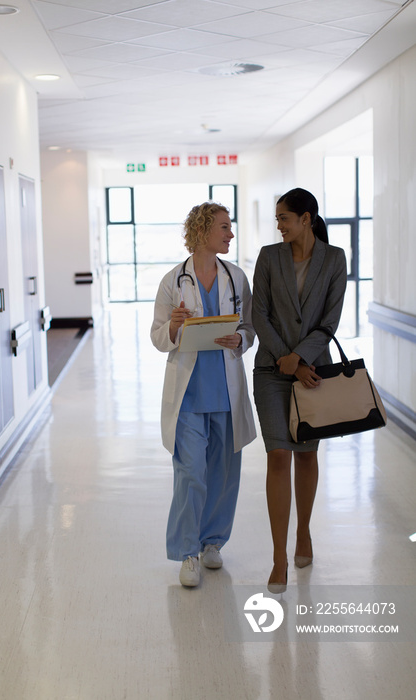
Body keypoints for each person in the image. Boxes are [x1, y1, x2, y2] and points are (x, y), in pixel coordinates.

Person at [151, 202, 256, 587]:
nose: (230, 234)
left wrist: (241, 338)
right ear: (202, 232)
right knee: (191, 474)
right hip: (190, 396)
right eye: (224, 227)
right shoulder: (172, 281)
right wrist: (175, 327)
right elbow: (158, 337)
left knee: (225, 475)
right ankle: (187, 552)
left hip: (226, 393)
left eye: (230, 227)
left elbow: (249, 328)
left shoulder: (236, 277)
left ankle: (213, 542)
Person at [252, 188, 347, 593]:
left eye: (284, 218)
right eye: (277, 219)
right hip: (272, 372)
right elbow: (259, 313)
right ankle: (278, 557)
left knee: (306, 456)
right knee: (278, 456)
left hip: (313, 373)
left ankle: (303, 533)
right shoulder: (268, 257)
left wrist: (302, 360)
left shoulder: (334, 259)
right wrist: (284, 358)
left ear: (306, 219)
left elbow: (331, 320)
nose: (279, 225)